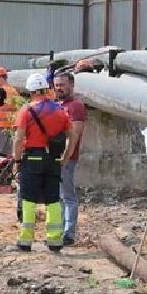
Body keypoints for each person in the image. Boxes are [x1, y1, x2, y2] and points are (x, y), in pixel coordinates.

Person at [12, 74, 71, 252]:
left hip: (33, 158)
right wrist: (65, 158)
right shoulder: (61, 110)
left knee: (28, 200)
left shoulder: (27, 110)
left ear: (31, 91)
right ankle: (54, 241)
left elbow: (18, 138)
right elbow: (71, 136)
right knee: (52, 200)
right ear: (46, 89)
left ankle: (25, 241)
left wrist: (16, 160)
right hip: (53, 159)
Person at [51, 69, 87, 246]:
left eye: (62, 85)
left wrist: (66, 157)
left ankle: (69, 233)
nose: (59, 88)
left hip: (67, 158)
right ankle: (59, 229)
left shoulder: (76, 106)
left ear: (71, 85)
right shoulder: (57, 104)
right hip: (54, 156)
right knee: (57, 196)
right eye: (56, 85)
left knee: (68, 196)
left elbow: (75, 135)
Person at [0, 67, 21, 156]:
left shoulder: (1, 90)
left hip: (0, 127)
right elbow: (3, 105)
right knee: (8, 155)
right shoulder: (13, 90)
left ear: (1, 78)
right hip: (11, 127)